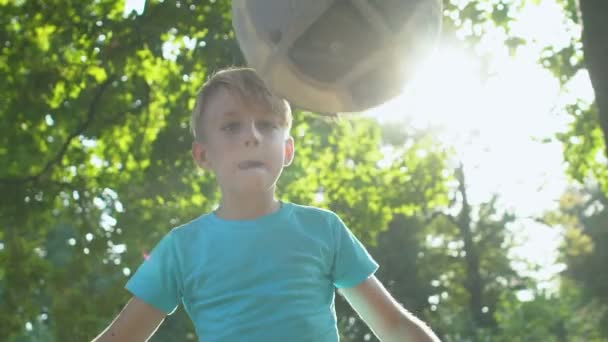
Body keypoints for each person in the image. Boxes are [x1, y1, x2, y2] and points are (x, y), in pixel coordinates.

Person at [92, 67, 440, 342]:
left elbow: (394, 327)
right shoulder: (181, 249)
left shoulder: (324, 230)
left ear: (287, 150)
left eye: (268, 124)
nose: (252, 136)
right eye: (231, 126)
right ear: (203, 154)